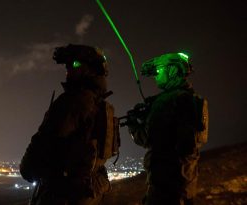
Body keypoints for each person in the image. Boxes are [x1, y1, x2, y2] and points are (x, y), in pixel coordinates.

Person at [20, 44, 119, 205]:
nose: (68, 68)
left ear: (91, 69)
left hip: (64, 194)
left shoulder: (73, 102)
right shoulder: (103, 106)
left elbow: (43, 143)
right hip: (90, 193)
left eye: (75, 64)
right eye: (67, 64)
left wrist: (28, 170)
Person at [126, 53, 209, 205]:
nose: (155, 76)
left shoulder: (166, 102)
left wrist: (133, 125)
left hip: (165, 185)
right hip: (186, 181)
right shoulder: (191, 99)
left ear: (171, 71)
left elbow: (148, 138)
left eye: (159, 71)